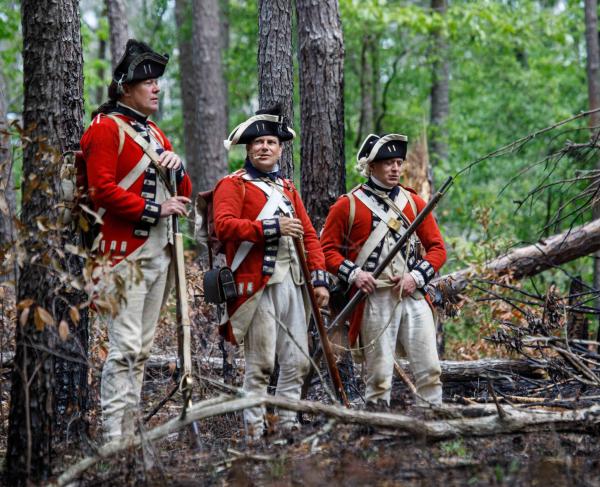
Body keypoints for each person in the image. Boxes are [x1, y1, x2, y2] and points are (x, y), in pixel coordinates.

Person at [80, 39, 192, 440]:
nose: (156, 88)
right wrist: (154, 210)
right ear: (126, 88)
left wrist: (177, 167)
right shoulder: (105, 128)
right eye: (148, 81)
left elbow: (184, 192)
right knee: (125, 348)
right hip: (121, 253)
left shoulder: (156, 133)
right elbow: (101, 191)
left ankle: (129, 434)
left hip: (159, 251)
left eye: (158, 81)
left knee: (142, 350)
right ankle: (114, 440)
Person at [213, 107, 329, 439]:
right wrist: (269, 227)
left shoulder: (289, 189)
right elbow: (223, 226)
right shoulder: (233, 185)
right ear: (248, 149)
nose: (265, 147)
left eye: (271, 142)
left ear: (280, 149)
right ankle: (253, 431)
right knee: (261, 364)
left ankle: (289, 427)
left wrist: (318, 279)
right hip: (256, 286)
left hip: (293, 283)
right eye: (258, 142)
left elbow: (309, 235)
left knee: (297, 362)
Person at [320, 133, 446, 409]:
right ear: (370, 166)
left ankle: (433, 424)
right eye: (387, 162)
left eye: (399, 162)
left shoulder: (413, 203)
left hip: (412, 295)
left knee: (430, 370)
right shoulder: (348, 205)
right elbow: (325, 251)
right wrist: (354, 274)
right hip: (374, 299)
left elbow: (438, 249)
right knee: (378, 377)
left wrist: (416, 277)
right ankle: (378, 431)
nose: (395, 169)